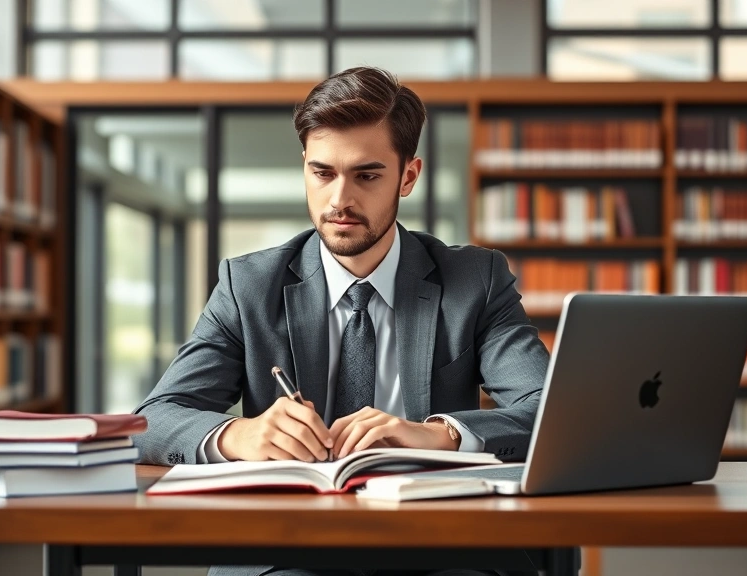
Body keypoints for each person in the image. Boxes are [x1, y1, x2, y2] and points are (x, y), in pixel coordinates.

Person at [132, 66, 550, 576]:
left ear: (409, 176)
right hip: (286, 545)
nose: (339, 201)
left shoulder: (475, 280)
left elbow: (550, 411)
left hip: (441, 541)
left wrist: (442, 435)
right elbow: (154, 418)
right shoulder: (248, 286)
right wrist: (236, 436)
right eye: (322, 172)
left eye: (367, 175)